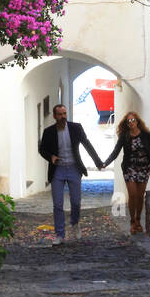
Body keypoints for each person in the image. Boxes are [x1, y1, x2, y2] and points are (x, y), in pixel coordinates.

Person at [38, 103, 104, 245]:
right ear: (55, 116)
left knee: (76, 201)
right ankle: (60, 234)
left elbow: (87, 144)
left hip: (74, 168)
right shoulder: (48, 132)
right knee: (58, 204)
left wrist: (98, 162)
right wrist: (51, 157)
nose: (63, 117)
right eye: (60, 114)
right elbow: (42, 149)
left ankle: (75, 222)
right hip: (58, 171)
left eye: (64, 114)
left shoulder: (75, 128)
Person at [102, 111, 150, 234]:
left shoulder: (146, 134)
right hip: (130, 168)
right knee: (132, 194)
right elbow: (116, 151)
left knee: (140, 196)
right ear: (127, 124)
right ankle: (132, 221)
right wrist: (105, 163)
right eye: (129, 121)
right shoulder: (125, 136)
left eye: (133, 120)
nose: (131, 123)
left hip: (144, 168)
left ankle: (138, 220)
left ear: (137, 121)